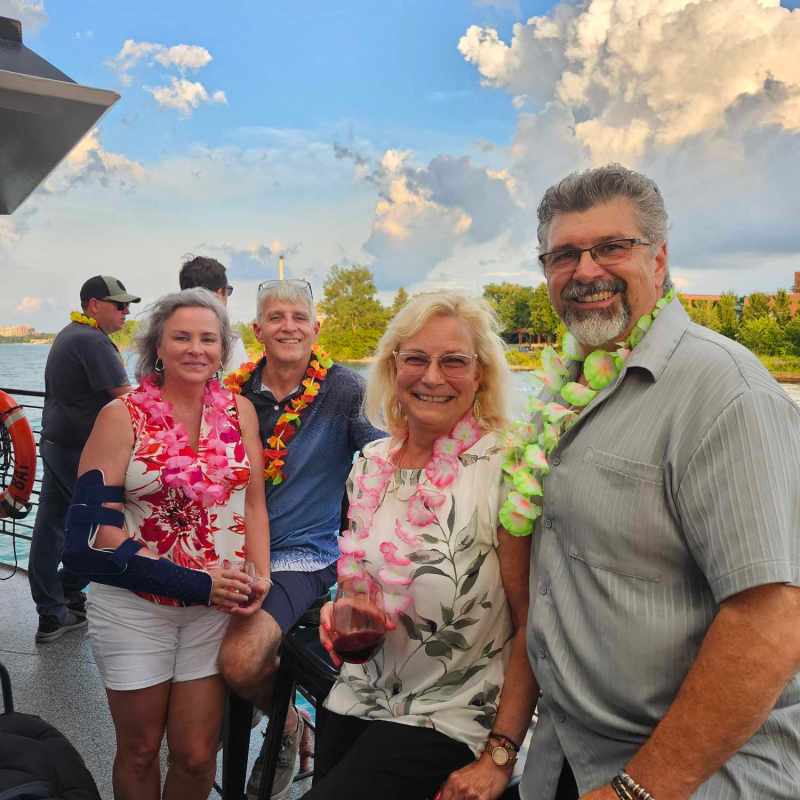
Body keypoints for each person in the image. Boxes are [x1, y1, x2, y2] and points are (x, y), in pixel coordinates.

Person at [506, 164, 800, 799]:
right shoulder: (573, 385)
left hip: (695, 774)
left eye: (612, 247)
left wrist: (638, 790)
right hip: (566, 754)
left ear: (659, 260)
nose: (585, 271)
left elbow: (770, 618)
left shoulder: (727, 393)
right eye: (564, 255)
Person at [307, 290, 538, 800]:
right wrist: (341, 616)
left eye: (453, 361)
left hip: (455, 715)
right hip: (357, 695)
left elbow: (532, 623)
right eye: (416, 358)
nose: (432, 377)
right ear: (393, 367)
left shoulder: (507, 467)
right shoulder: (370, 463)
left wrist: (500, 756)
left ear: (481, 374)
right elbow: (357, 587)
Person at [68, 288, 270, 800]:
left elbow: (253, 504)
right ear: (158, 346)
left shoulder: (242, 412)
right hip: (136, 609)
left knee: (197, 754)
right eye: (182, 337)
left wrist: (261, 575)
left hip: (215, 611)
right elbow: (88, 538)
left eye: (208, 339)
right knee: (139, 750)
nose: (196, 349)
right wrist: (195, 583)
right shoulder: (121, 416)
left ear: (223, 350)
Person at [218, 278, 384, 799]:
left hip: (302, 555)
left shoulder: (345, 390)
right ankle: (258, 713)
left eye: (298, 317)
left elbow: (384, 459)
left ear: (316, 327)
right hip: (228, 551)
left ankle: (290, 728)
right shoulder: (235, 391)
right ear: (257, 329)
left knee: (240, 661)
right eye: (276, 317)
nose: (288, 326)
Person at [28, 275, 139, 643]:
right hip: (79, 452)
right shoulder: (92, 340)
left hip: (56, 444)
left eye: (127, 306)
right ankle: (64, 597)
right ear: (94, 305)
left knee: (51, 527)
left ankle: (56, 606)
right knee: (102, 525)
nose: (126, 312)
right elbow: (127, 398)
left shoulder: (70, 334)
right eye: (119, 305)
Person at [179, 254, 249, 371]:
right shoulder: (231, 343)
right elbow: (241, 378)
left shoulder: (165, 337)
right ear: (220, 293)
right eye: (228, 291)